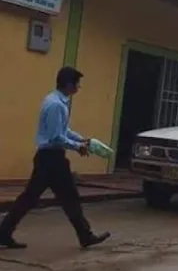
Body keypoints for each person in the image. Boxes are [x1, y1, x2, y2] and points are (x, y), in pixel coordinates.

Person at [0, 67, 111, 249]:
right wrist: (77, 147)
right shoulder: (56, 105)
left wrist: (80, 139)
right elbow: (55, 137)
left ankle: (3, 232)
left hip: (49, 158)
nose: (78, 87)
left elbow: (63, 131)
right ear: (68, 84)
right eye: (77, 84)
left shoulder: (56, 100)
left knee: (34, 197)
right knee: (67, 197)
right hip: (52, 159)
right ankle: (85, 235)